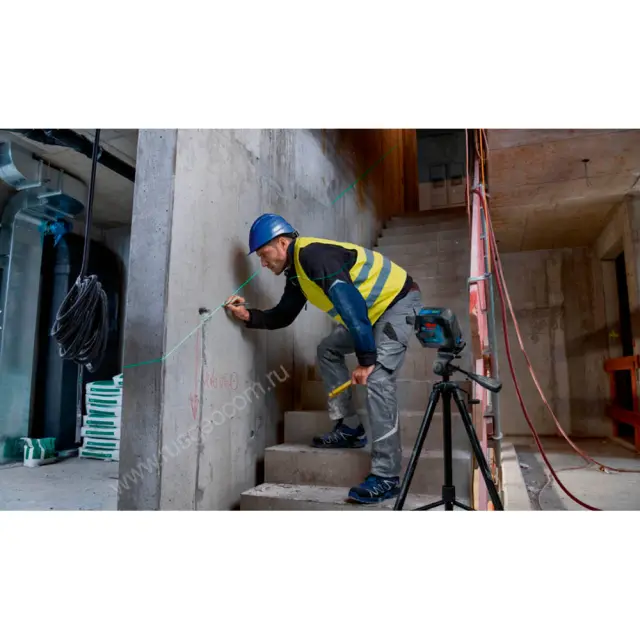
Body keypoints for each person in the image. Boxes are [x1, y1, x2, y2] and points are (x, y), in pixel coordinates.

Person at [225, 213, 423, 504]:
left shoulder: (313, 256)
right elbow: (283, 315)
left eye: (264, 254)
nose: (263, 264)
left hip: (397, 303)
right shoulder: (297, 273)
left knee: (379, 378)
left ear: (282, 243)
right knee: (327, 350)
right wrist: (248, 316)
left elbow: (352, 306)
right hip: (370, 315)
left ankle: (387, 476)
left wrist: (366, 360)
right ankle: (350, 427)